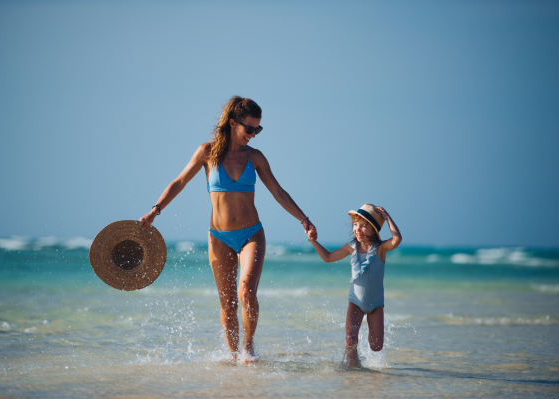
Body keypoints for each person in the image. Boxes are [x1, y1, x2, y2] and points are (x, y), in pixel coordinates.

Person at [140, 96, 317, 362]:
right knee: (228, 303)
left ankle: (248, 348)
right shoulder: (206, 152)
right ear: (233, 123)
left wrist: (304, 219)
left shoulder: (255, 157)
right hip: (218, 238)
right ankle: (233, 358)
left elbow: (278, 192)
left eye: (258, 129)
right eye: (250, 128)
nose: (253, 135)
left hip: (251, 235)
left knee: (246, 290)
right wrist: (156, 210)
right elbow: (179, 182)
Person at [309, 204, 401, 368]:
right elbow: (328, 257)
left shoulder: (380, 248)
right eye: (356, 224)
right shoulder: (351, 247)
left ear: (374, 229)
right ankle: (353, 368)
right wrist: (314, 241)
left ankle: (357, 363)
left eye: (364, 226)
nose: (358, 229)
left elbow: (397, 239)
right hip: (355, 302)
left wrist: (387, 218)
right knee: (350, 340)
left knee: (376, 346)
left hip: (376, 304)